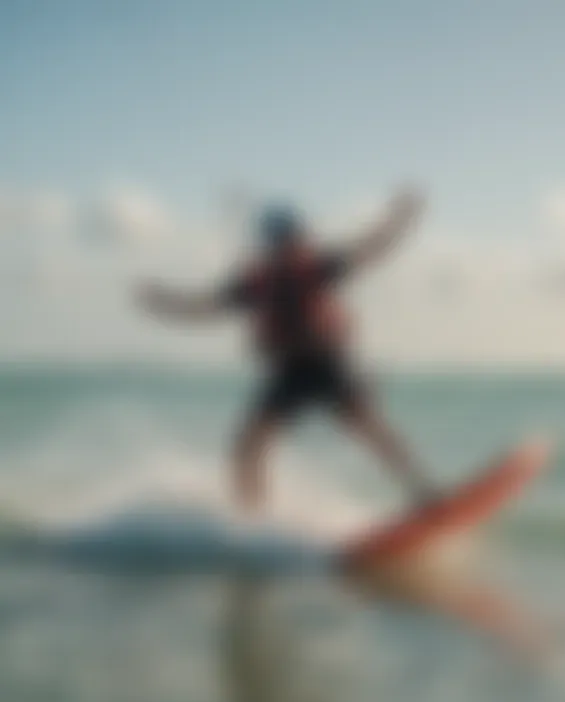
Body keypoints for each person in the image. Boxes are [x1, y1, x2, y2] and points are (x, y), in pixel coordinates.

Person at [137, 187, 435, 512]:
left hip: (327, 364)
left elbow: (372, 247)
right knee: (248, 445)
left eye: (294, 238)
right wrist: (162, 302)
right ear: (271, 243)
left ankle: (423, 492)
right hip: (288, 374)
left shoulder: (318, 266)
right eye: (283, 240)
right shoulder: (255, 282)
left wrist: (402, 217)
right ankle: (252, 519)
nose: (291, 245)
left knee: (368, 426)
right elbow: (203, 308)